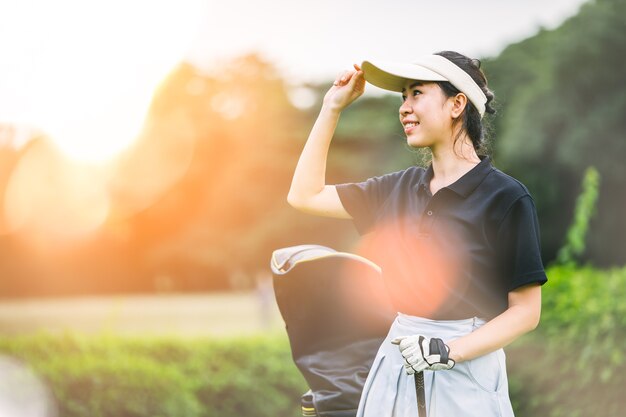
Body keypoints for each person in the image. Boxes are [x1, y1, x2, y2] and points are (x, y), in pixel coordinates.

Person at [287, 50, 547, 417]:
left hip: (466, 375)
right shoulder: (398, 187)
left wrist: (449, 350)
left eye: (416, 93)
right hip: (396, 363)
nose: (404, 107)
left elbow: (525, 312)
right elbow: (304, 195)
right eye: (402, 96)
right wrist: (331, 107)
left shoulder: (505, 197)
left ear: (457, 104)